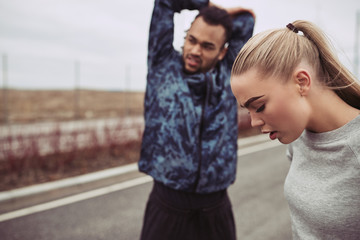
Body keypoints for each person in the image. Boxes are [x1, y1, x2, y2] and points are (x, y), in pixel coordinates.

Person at [230, 20, 360, 239]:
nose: (253, 122)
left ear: (301, 82)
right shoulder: (298, 135)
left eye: (259, 107)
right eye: (248, 111)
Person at [138, 0, 255, 239]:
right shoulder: (162, 64)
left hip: (215, 207)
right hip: (167, 204)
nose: (194, 51)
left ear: (223, 51)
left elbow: (247, 20)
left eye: (207, 45)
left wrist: (218, 15)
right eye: (191, 40)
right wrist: (207, 5)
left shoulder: (228, 74)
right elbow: (164, 3)